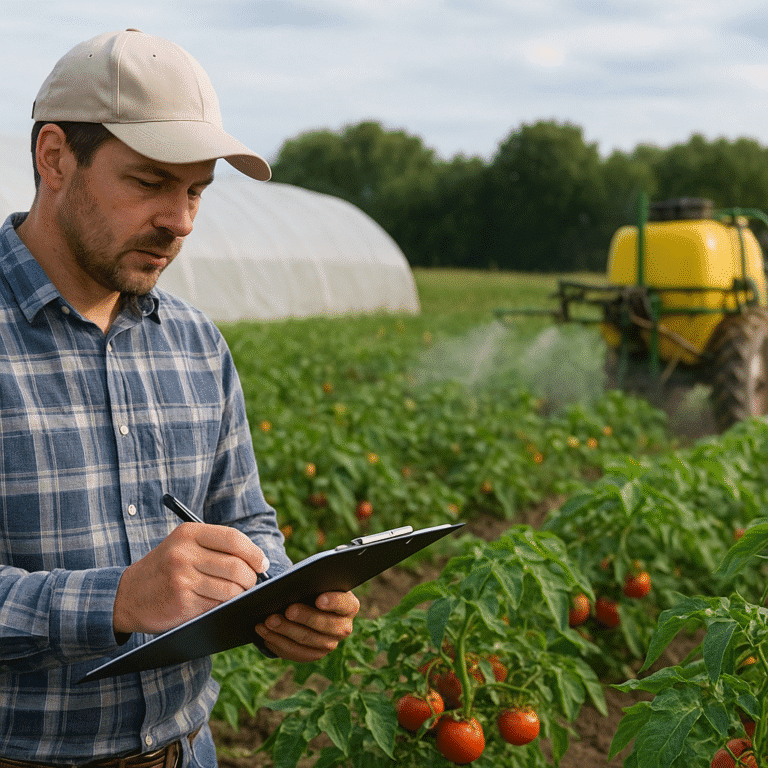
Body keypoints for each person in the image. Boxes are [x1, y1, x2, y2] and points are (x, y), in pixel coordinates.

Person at [0, 29, 359, 768]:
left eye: (196, 190)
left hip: (187, 750)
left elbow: (246, 518)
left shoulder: (196, 344)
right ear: (56, 158)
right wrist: (116, 600)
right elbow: (131, 597)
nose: (182, 221)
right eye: (150, 182)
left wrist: (279, 595)